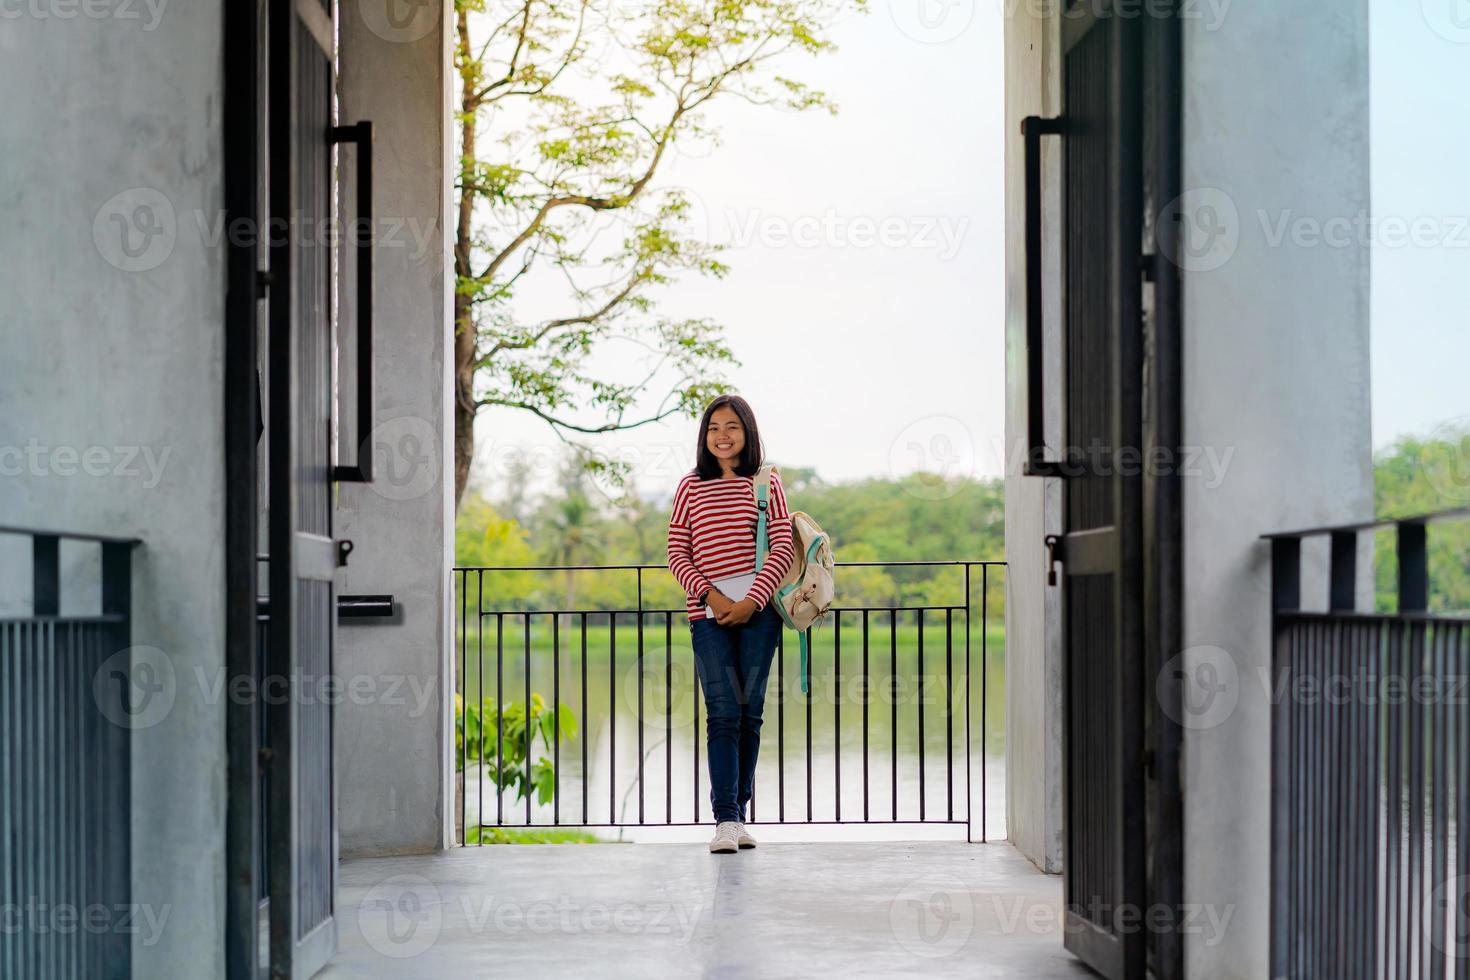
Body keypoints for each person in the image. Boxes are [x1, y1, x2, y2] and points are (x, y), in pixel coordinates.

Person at [666, 393, 796, 853]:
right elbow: (676, 552)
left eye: (732, 427)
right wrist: (713, 595)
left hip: (759, 617)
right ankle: (725, 820)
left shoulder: (765, 484)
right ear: (705, 436)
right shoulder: (689, 487)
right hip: (707, 614)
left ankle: (738, 814)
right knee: (721, 713)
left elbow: (782, 545)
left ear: (747, 433)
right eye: (714, 428)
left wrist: (751, 601)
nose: (722, 436)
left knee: (749, 714)